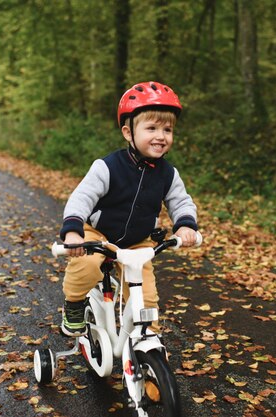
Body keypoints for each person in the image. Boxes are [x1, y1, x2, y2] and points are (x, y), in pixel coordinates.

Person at [58, 81, 199, 337]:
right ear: (128, 132)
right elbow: (82, 197)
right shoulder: (107, 166)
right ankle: (75, 303)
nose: (161, 136)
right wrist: (73, 230)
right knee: (86, 265)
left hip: (138, 242)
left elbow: (181, 201)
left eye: (168, 129)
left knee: (146, 297)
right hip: (97, 234)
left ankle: (148, 345)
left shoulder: (168, 173)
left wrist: (186, 224)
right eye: (152, 128)